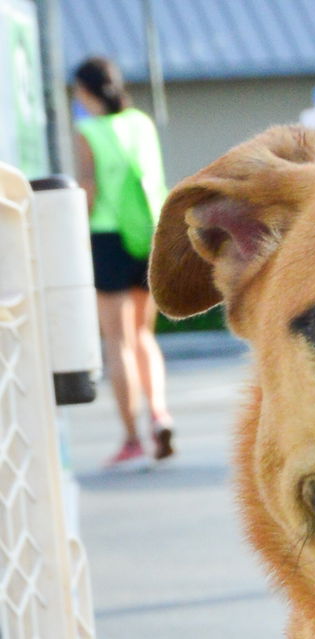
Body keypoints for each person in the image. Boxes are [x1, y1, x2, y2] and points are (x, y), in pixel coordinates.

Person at [70, 54, 174, 470]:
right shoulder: (142, 124)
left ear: (85, 91)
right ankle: (161, 413)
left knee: (118, 342)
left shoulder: (87, 131)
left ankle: (132, 439)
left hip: (108, 237)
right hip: (148, 234)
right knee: (144, 336)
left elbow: (88, 189)